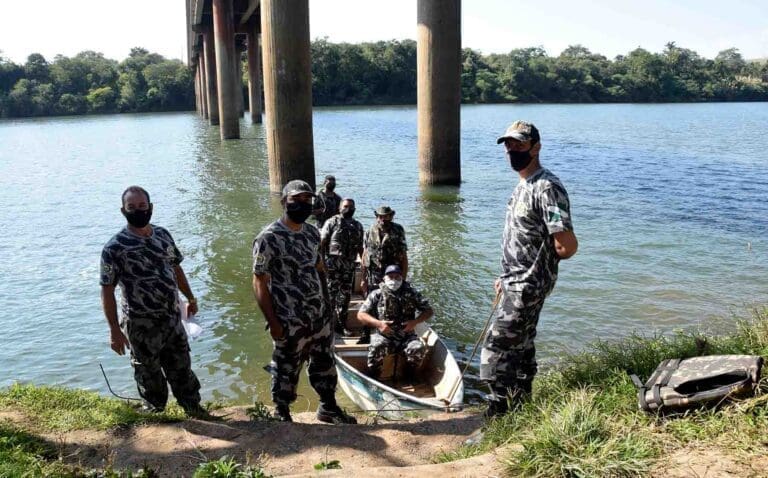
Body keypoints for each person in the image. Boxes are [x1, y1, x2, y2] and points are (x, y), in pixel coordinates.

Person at [480, 120, 578, 418]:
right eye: (508, 145)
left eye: (519, 144)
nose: (512, 150)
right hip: (514, 282)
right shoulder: (523, 185)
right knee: (521, 348)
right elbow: (520, 237)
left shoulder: (547, 187)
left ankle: (497, 417)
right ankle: (521, 411)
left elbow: (566, 245)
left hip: (527, 285)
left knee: (496, 348)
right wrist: (506, 277)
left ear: (536, 147)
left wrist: (536, 272)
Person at [251, 179, 357, 424]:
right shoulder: (268, 238)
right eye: (296, 200)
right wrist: (273, 322)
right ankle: (282, 412)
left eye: (307, 200)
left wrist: (327, 305)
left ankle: (328, 407)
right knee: (286, 367)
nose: (302, 204)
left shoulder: (311, 233)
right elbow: (259, 282)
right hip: (289, 319)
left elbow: (319, 268)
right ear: (284, 202)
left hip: (318, 316)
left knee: (325, 364)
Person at [100, 186, 205, 417]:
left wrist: (190, 297)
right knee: (148, 373)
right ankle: (156, 415)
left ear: (150, 207)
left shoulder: (163, 235)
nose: (138, 211)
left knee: (182, 368)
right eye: (132, 207)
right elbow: (106, 289)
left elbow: (176, 268)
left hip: (172, 318)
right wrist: (114, 330)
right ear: (123, 211)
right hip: (140, 324)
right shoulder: (114, 247)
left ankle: (194, 410)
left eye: (142, 206)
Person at [357, 265, 433, 380]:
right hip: (384, 335)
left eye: (397, 277)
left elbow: (429, 311)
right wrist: (379, 324)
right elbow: (360, 315)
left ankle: (409, 375)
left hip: (406, 336)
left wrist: (414, 322)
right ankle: (374, 376)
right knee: (377, 346)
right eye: (390, 277)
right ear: (384, 278)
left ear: (402, 278)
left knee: (418, 348)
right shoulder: (376, 294)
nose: (394, 280)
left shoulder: (412, 293)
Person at [359, 205, 409, 343]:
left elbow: (404, 256)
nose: (383, 219)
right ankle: (365, 334)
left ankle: (389, 334)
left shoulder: (398, 230)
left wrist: (403, 279)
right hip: (373, 273)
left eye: (386, 216)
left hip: (391, 274)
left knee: (390, 303)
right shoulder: (370, 230)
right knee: (369, 303)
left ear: (391, 216)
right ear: (377, 217)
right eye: (380, 216)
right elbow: (365, 254)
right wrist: (363, 279)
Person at [320, 198, 364, 335]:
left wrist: (364, 266)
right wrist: (323, 266)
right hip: (332, 267)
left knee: (345, 298)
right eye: (345, 206)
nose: (348, 209)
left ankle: (341, 326)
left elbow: (361, 248)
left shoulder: (358, 226)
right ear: (339, 208)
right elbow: (321, 245)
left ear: (355, 209)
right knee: (329, 297)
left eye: (351, 206)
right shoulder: (331, 222)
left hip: (349, 268)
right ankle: (326, 327)